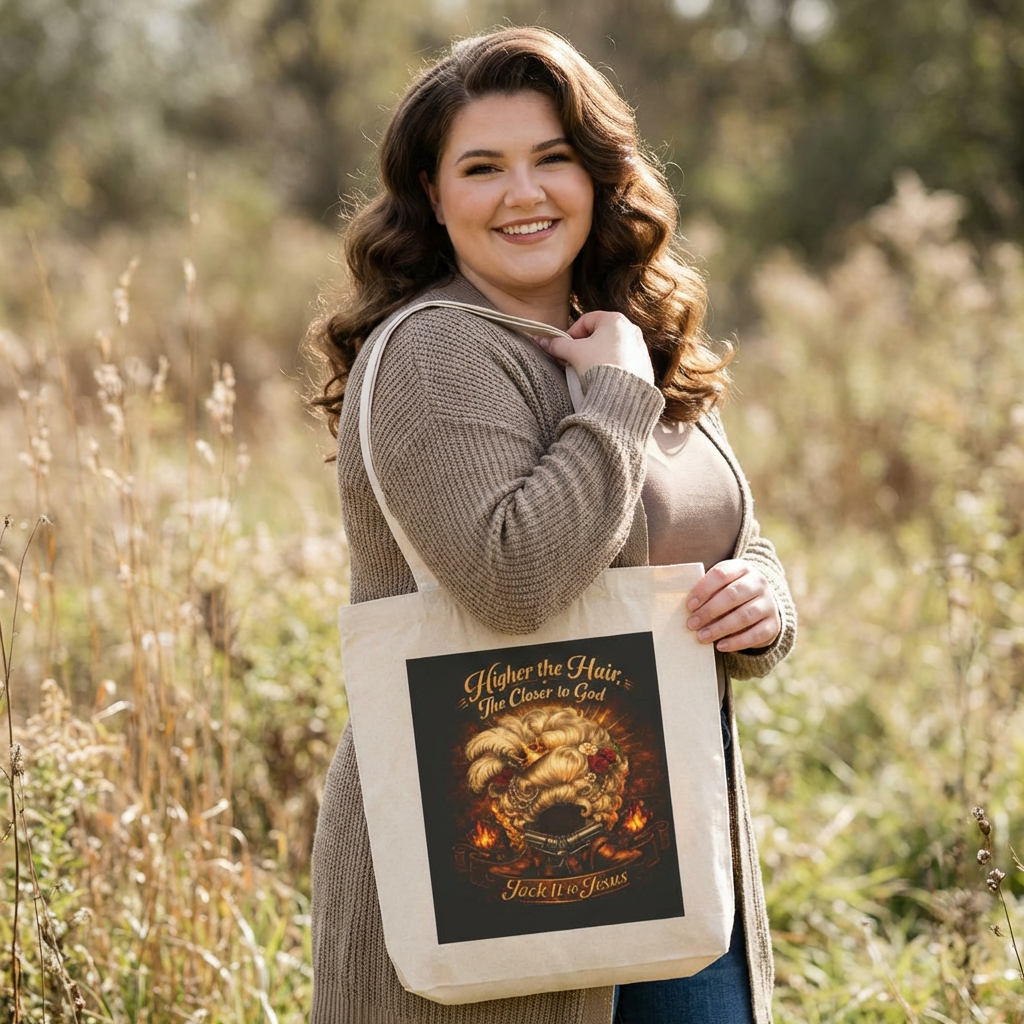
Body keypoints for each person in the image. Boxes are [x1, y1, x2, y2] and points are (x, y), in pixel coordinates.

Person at [307, 25, 796, 1024]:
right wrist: (612, 400)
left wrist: (762, 597)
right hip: (500, 884)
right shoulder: (439, 351)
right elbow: (514, 581)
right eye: (481, 167)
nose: (523, 194)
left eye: (553, 159)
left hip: (672, 858)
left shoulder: (620, 337)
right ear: (432, 198)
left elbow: (706, 535)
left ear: (598, 177)